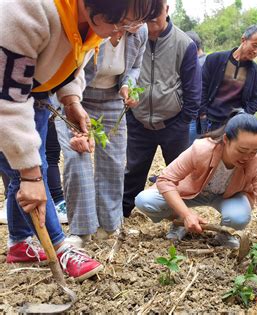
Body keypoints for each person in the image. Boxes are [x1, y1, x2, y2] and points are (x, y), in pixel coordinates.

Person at [0, 0, 161, 281]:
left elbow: (74, 59)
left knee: (21, 175)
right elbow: (8, 103)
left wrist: (71, 99)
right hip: (10, 102)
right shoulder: (27, 11)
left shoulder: (93, 20)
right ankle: (62, 248)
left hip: (35, 97)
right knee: (24, 173)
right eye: (119, 24)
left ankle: (20, 244)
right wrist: (30, 175)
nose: (118, 36)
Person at [134, 112, 257, 277]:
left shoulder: (256, 161)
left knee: (238, 216)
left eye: (253, 151)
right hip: (190, 192)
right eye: (242, 150)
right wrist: (186, 214)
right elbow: (165, 180)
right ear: (226, 140)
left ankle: (225, 235)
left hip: (228, 197)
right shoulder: (202, 149)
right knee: (145, 200)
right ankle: (180, 222)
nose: (247, 157)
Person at [56, 24, 148, 248]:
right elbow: (70, 64)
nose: (136, 25)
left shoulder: (141, 31)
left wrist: (128, 84)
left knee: (113, 163)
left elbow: (135, 66)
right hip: (76, 97)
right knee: (77, 158)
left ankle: (108, 226)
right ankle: (81, 230)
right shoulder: (98, 21)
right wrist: (72, 100)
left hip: (112, 99)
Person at [122, 0, 201, 218]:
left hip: (173, 122)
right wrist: (130, 113)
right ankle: (123, 213)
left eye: (155, 15)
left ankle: (181, 217)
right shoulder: (133, 39)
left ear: (167, 10)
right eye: (146, 17)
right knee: (134, 170)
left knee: (179, 174)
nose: (151, 21)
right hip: (139, 120)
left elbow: (193, 88)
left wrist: (184, 120)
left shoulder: (184, 44)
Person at [198, 25, 257, 133]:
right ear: (243, 40)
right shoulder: (215, 59)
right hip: (210, 121)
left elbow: (256, 99)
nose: (256, 51)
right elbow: (202, 87)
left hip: (234, 125)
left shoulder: (255, 71)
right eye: (254, 45)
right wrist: (203, 114)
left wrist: (243, 117)